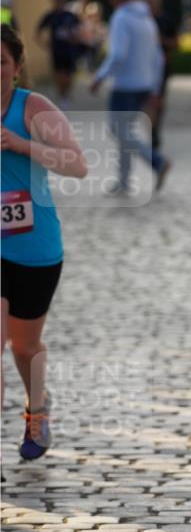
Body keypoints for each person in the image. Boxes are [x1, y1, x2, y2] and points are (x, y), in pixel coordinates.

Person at [1, 24, 87, 458]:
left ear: (16, 67)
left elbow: (77, 165)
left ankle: (37, 406)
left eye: (0, 61)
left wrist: (22, 145)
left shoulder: (33, 108)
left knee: (25, 346)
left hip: (34, 246)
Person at [90, 0, 170, 196]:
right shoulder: (146, 18)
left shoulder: (121, 18)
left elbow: (117, 55)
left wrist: (99, 76)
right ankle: (123, 182)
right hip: (144, 85)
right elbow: (159, 58)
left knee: (118, 130)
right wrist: (155, 88)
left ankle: (157, 161)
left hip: (124, 86)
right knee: (125, 132)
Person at [143, 0, 178, 150]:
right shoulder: (141, 21)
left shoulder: (166, 20)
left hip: (162, 68)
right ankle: (150, 131)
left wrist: (159, 40)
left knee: (158, 102)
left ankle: (154, 132)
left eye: (153, 1)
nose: (150, 4)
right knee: (146, 102)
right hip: (143, 68)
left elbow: (176, 44)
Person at [35, 0, 81, 108]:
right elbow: (38, 31)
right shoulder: (50, 16)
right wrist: (44, 44)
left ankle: (66, 94)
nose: (58, 1)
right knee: (58, 75)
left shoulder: (70, 15)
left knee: (68, 76)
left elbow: (80, 30)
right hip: (56, 50)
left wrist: (76, 39)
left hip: (69, 50)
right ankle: (62, 96)